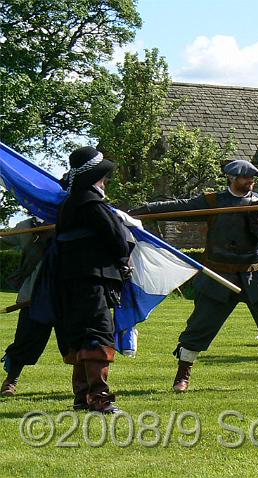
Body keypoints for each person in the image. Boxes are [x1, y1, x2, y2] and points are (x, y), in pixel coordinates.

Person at [129, 159, 258, 390]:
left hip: (253, 276)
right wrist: (139, 213)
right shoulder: (212, 202)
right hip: (219, 276)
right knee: (201, 325)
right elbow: (179, 207)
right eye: (245, 178)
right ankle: (182, 377)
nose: (250, 182)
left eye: (253, 178)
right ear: (231, 179)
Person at [55, 146, 134, 413]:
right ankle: (98, 398)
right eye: (104, 178)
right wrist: (124, 254)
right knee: (96, 334)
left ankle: (82, 398)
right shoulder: (91, 203)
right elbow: (116, 239)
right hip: (91, 279)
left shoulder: (71, 202)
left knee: (80, 335)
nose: (105, 183)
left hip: (73, 279)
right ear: (95, 179)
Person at [0, 217, 53, 396]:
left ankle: (88, 388)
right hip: (33, 296)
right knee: (26, 340)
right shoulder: (26, 227)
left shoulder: (77, 219)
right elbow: (4, 240)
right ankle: (11, 381)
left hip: (69, 296)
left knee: (79, 343)